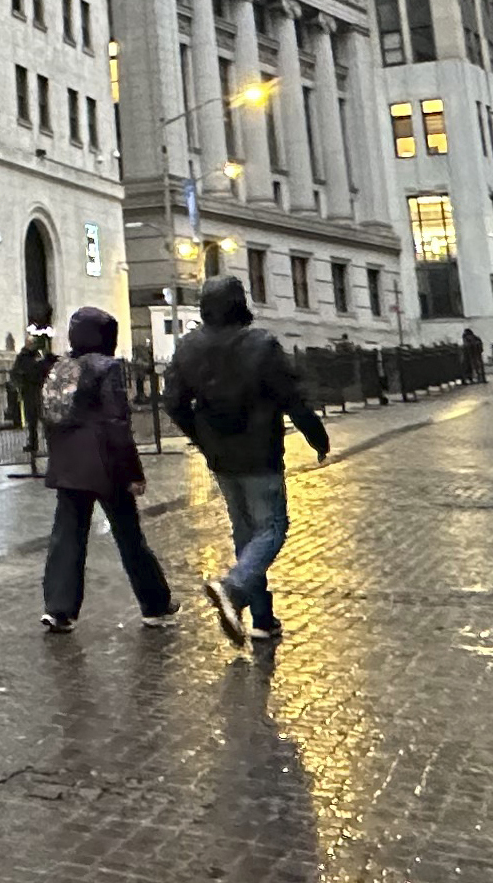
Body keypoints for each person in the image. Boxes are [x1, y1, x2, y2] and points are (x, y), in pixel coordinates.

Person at [168, 276, 329, 646]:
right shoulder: (261, 345)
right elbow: (293, 398)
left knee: (246, 534)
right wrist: (317, 437)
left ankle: (262, 618)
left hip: (221, 457)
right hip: (261, 453)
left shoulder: (188, 347)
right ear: (241, 304)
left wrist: (201, 436)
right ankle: (235, 589)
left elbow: (174, 403)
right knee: (271, 528)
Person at [36, 305, 175, 631]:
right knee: (129, 536)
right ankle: (154, 603)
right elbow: (116, 423)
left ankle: (59, 609)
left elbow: (51, 417)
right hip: (106, 465)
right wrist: (133, 472)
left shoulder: (61, 368)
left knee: (67, 538)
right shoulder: (107, 367)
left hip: (69, 466)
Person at [7, 321, 56, 466]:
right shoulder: (23, 356)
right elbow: (17, 371)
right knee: (32, 417)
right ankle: (34, 442)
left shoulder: (38, 355)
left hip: (38, 388)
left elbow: (44, 369)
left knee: (43, 417)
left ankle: (49, 442)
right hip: (29, 389)